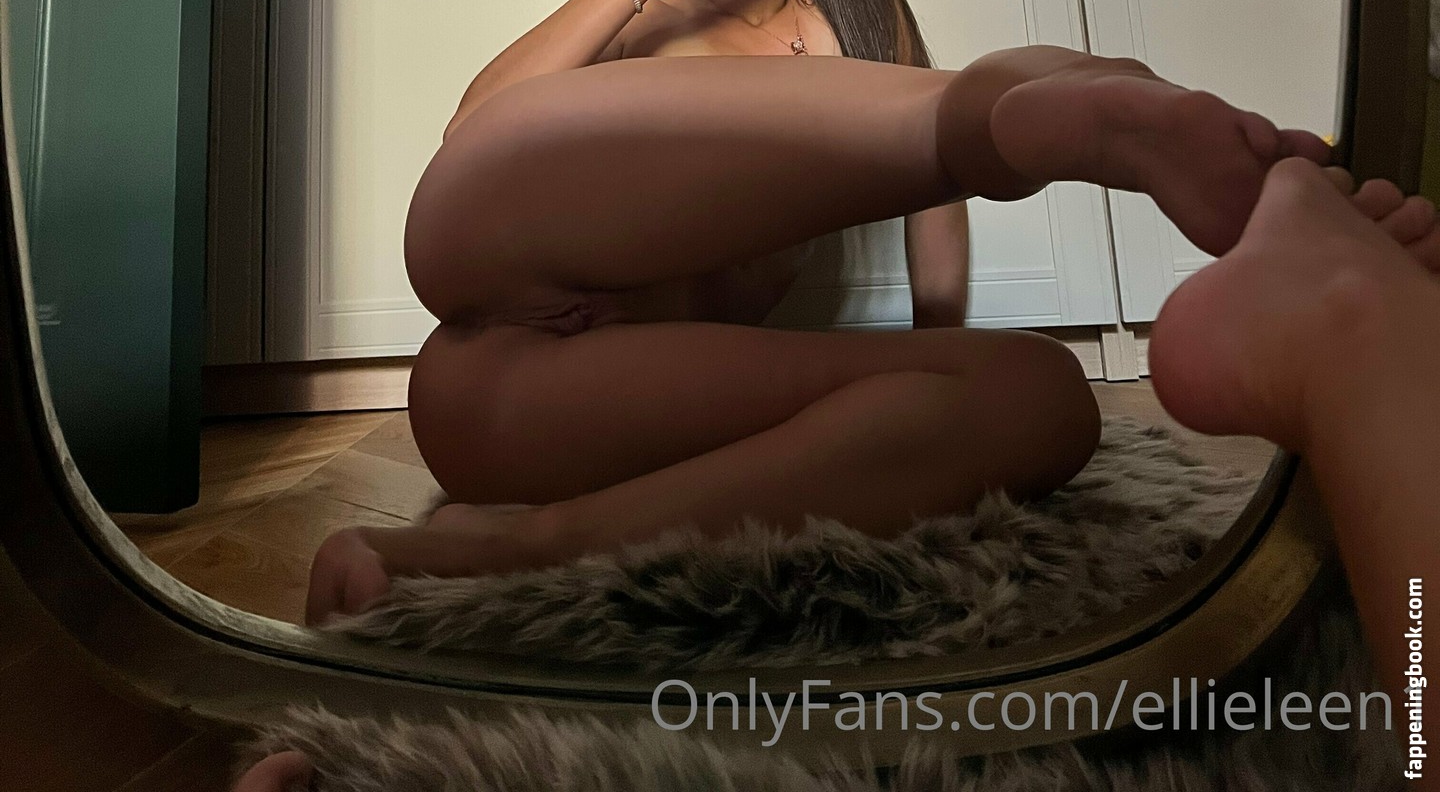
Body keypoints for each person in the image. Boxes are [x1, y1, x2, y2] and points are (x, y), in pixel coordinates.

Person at [236, 152, 1440, 792]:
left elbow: (938, 215)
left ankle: (1359, 345)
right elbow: (480, 149)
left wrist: (937, 346)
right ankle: (1358, 339)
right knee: (457, 221)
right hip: (557, 368)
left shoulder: (853, 35)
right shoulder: (658, 27)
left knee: (1033, 396)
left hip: (724, 387)